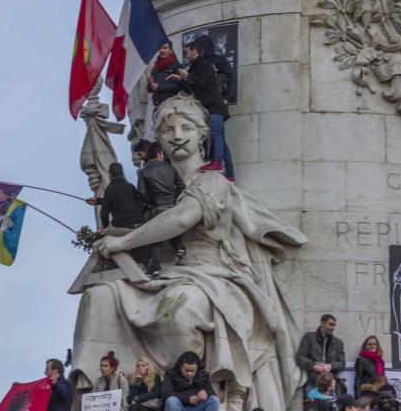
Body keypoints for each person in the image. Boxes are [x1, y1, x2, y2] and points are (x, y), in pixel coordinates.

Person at [84, 93, 307, 411]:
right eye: (168, 130)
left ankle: (198, 395)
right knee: (100, 297)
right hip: (160, 277)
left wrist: (123, 242)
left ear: (202, 133)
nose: (176, 136)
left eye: (186, 128)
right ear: (159, 138)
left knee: (181, 308)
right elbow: (140, 226)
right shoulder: (152, 185)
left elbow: (182, 217)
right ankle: (99, 399)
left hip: (213, 277)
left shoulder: (212, 182)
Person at [169, 40, 234, 180]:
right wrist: (179, 80)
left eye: (188, 51)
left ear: (196, 51)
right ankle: (230, 175)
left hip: (215, 106)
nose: (186, 54)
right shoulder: (193, 68)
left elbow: (204, 83)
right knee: (222, 139)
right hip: (208, 107)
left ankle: (217, 162)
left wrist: (187, 76)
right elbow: (191, 89)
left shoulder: (206, 65)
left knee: (215, 133)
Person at [137, 142, 186, 278]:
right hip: (171, 207)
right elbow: (182, 186)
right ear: (159, 154)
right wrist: (173, 197)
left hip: (156, 208)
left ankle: (155, 269)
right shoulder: (170, 168)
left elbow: (141, 192)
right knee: (172, 230)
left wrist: (152, 201)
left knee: (157, 239)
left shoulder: (144, 171)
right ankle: (180, 249)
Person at [85, 163, 145, 230]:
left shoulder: (110, 189)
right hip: (139, 222)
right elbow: (122, 200)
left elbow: (104, 213)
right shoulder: (131, 186)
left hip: (122, 226)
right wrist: (98, 201)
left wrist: (105, 228)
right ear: (122, 173)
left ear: (110, 174)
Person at [296, 314, 346, 388]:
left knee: (331, 399)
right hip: (312, 381)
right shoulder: (309, 337)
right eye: (331, 324)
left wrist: (330, 366)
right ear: (322, 323)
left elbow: (342, 363)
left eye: (334, 325)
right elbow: (299, 357)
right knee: (312, 399)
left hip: (330, 383)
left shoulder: (338, 342)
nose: (333, 328)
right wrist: (313, 366)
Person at [147, 41, 182, 108]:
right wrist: (150, 85)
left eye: (165, 48)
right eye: (160, 48)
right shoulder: (155, 68)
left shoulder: (176, 66)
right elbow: (149, 90)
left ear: (171, 50)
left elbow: (180, 87)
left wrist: (159, 87)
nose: (162, 50)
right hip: (158, 107)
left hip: (172, 106)